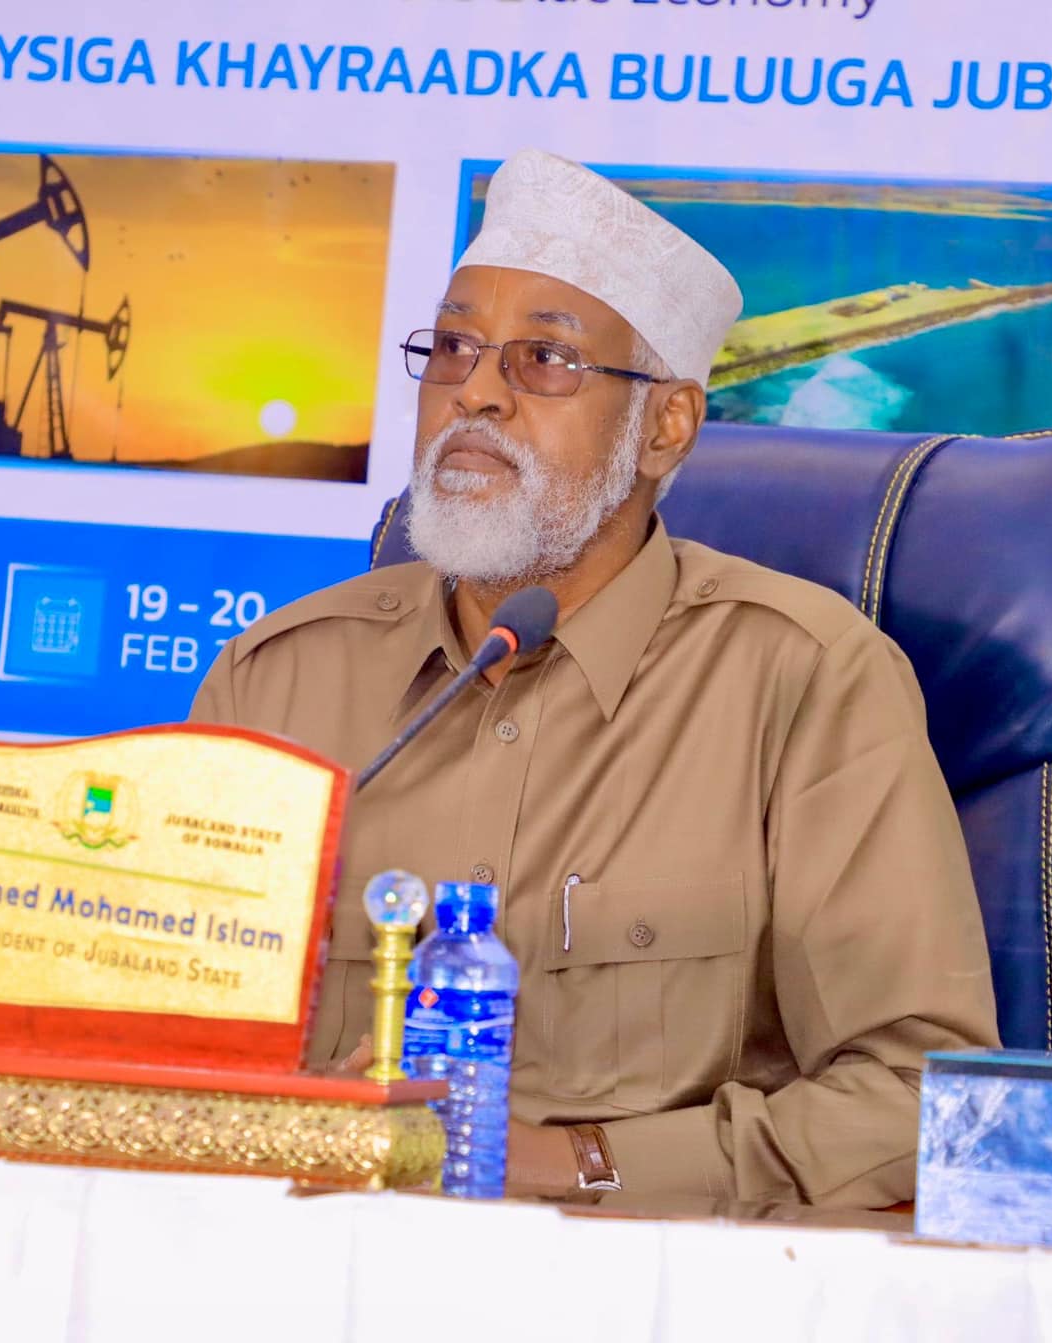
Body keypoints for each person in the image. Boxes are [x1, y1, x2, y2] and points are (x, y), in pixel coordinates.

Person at [189, 150, 998, 1208]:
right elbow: (166, 1045)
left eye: (543, 359)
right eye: (455, 348)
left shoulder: (802, 681)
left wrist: (575, 1160)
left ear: (665, 426)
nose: (474, 391)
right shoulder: (280, 678)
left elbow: (917, 1101)